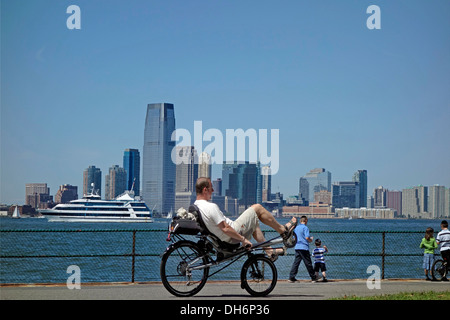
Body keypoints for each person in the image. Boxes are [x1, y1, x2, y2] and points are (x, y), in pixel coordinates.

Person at [193, 177, 297, 261]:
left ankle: (269, 252)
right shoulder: (210, 207)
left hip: (224, 237)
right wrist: (242, 239)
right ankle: (283, 231)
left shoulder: (197, 206)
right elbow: (225, 228)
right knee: (257, 208)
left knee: (253, 222)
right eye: (211, 187)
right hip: (232, 234)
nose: (213, 190)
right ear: (205, 189)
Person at [288, 216, 316, 282]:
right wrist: (311, 239)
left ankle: (291, 277)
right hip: (304, 247)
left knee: (296, 263)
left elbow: (294, 238)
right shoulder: (305, 228)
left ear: (300, 221)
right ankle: (313, 277)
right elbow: (307, 237)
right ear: (306, 220)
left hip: (297, 247)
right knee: (308, 263)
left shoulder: (296, 228)